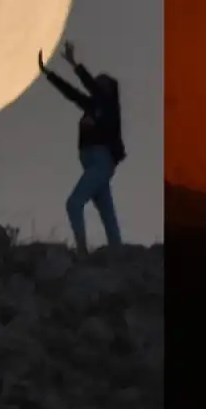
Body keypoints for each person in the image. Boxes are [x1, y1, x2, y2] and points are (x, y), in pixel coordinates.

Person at [38, 41, 126, 254]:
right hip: (92, 164)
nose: (98, 84)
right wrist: (47, 73)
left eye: (102, 84)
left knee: (74, 203)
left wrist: (74, 64)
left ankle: (82, 252)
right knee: (107, 212)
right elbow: (71, 92)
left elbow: (91, 87)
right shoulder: (92, 107)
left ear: (109, 90)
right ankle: (118, 252)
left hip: (101, 162)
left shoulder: (110, 107)